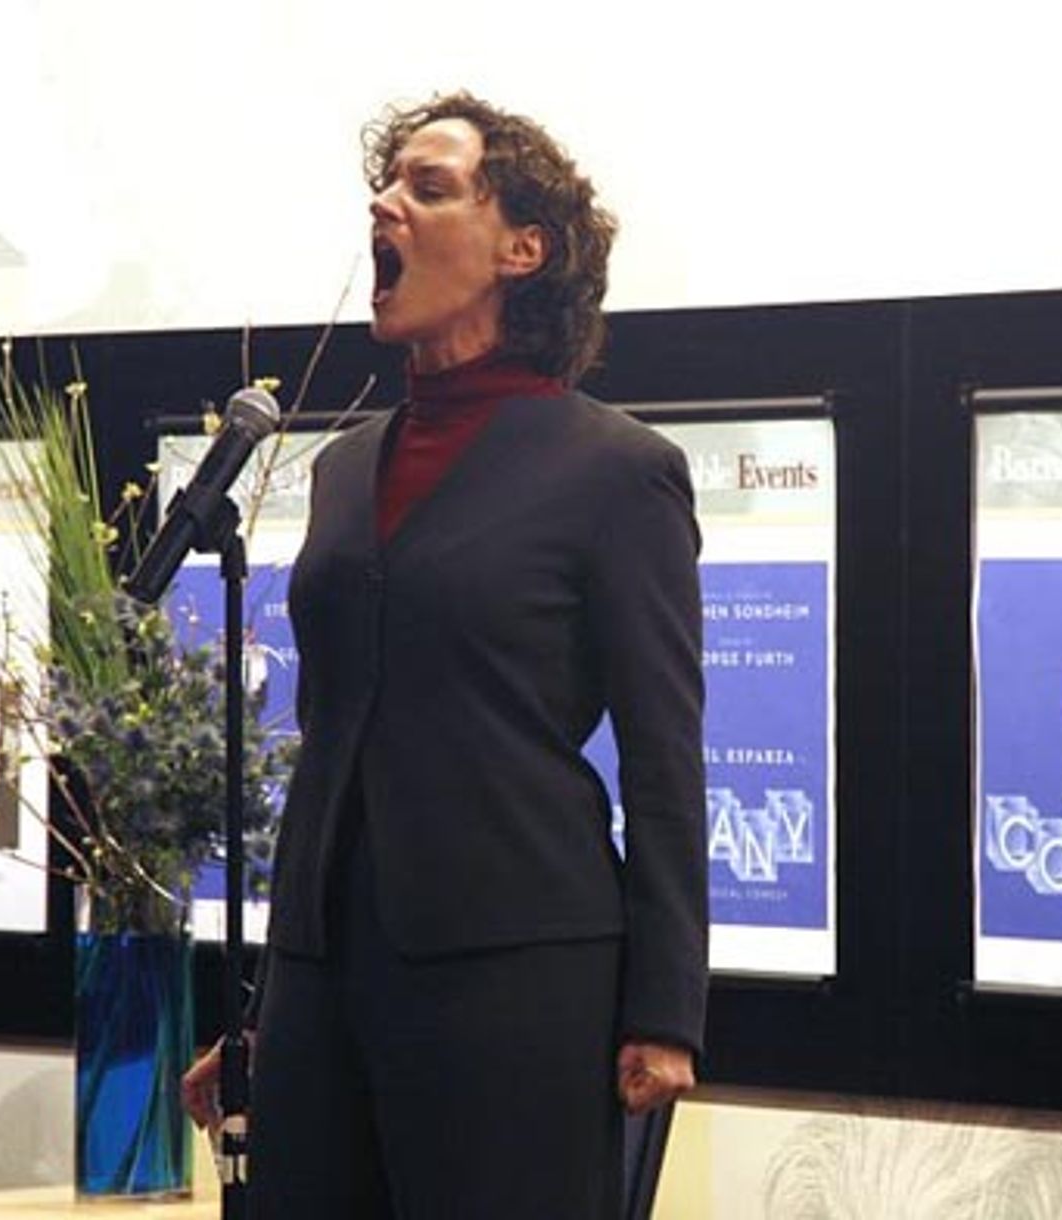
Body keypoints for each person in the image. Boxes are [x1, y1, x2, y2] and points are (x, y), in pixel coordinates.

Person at [181, 91, 708, 1217]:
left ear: (525, 249)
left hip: (520, 970)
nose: (386, 205)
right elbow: (332, 745)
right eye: (385, 186)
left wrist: (665, 1010)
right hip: (326, 971)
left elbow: (665, 758)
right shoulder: (343, 468)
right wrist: (268, 1006)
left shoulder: (617, 472)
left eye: (429, 188)